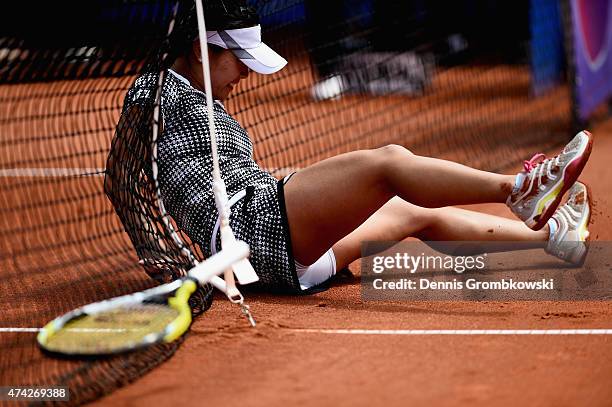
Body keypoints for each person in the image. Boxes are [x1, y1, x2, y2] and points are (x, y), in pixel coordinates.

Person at [121, 0, 593, 294]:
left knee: (411, 208)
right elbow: (119, 179)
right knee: (389, 162)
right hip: (258, 232)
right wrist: (157, 252)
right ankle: (520, 188)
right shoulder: (155, 91)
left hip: (276, 255)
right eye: (238, 60)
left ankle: (553, 239)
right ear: (204, 50)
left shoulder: (205, 98)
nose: (245, 73)